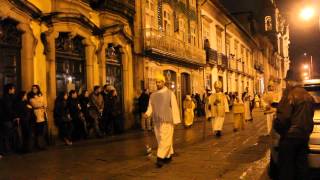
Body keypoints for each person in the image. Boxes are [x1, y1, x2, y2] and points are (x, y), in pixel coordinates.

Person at [274, 69, 315, 180]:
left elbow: (283, 119)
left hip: (289, 138)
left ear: (290, 82)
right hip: (303, 137)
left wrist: (277, 127)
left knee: (286, 170)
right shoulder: (309, 97)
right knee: (302, 167)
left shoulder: (289, 95)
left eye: (287, 81)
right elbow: (310, 118)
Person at [144, 73, 181, 168]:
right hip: (156, 121)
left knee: (165, 139)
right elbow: (150, 106)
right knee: (161, 140)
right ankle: (168, 156)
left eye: (160, 82)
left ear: (163, 82)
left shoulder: (170, 93)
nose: (158, 84)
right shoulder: (152, 95)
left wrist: (176, 120)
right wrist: (147, 114)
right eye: (157, 82)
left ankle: (160, 158)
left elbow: (174, 107)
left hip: (167, 120)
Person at [0, 84, 18, 155]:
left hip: (7, 119)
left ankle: (7, 150)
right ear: (9, 90)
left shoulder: (9, 97)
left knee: (7, 135)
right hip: (6, 119)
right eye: (13, 89)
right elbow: (8, 109)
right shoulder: (6, 98)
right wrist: (14, 116)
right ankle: (6, 150)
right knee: (6, 136)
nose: (14, 90)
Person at [29, 85, 47, 149]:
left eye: (35, 88)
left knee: (42, 130)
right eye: (33, 88)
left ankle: (42, 144)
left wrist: (40, 103)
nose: (34, 89)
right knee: (37, 130)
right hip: (36, 115)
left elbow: (45, 103)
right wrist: (40, 103)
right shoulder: (30, 96)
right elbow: (34, 104)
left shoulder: (41, 94)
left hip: (42, 114)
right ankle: (38, 145)